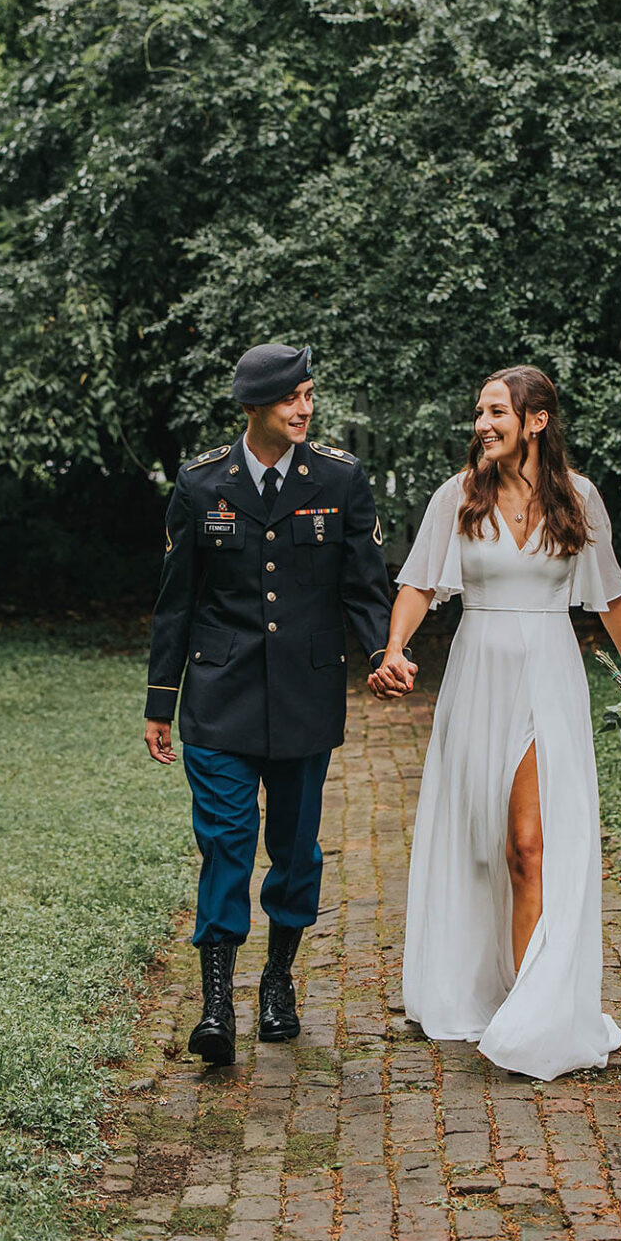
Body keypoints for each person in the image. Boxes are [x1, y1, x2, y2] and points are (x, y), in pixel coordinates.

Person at [369, 365, 621, 1079]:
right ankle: (483, 987)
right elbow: (418, 582)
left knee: (530, 846)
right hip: (478, 672)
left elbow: (610, 595)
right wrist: (395, 647)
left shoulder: (577, 497)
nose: (481, 424)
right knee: (479, 843)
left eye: (496, 411)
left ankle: (532, 1009)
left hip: (548, 673)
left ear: (534, 420)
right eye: (478, 412)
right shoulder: (457, 495)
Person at [144, 343, 406, 1064]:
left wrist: (386, 652)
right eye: (290, 399)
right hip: (218, 700)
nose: (303, 409)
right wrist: (158, 701)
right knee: (225, 845)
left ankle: (279, 982)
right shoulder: (201, 486)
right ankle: (216, 1006)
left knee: (293, 852)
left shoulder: (340, 479)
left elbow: (362, 586)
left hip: (304, 697)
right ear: (253, 406)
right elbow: (177, 605)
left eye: (309, 395)